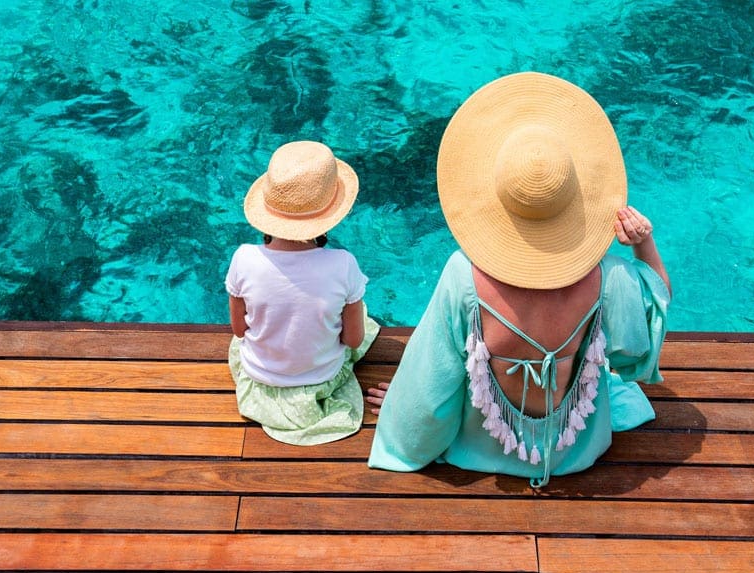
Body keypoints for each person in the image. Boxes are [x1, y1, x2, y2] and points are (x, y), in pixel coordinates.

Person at [366, 72, 671, 487]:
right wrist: (643, 244)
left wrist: (403, 412)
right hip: (575, 448)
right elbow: (651, 318)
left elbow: (432, 381)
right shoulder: (606, 276)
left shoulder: (464, 276)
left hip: (488, 445)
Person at [226, 140, 379, 445]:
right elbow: (352, 340)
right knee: (360, 317)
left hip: (260, 377)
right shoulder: (343, 264)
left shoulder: (243, 258)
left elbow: (239, 329)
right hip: (322, 378)